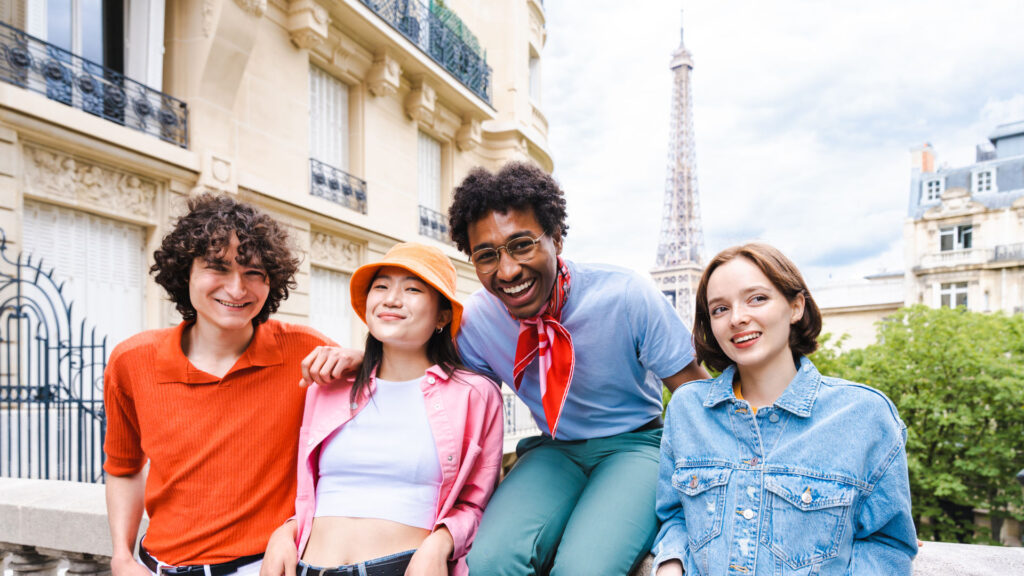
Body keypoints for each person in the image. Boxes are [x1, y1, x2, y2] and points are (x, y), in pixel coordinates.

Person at [302, 162, 709, 575]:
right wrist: (366, 358)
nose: (508, 270)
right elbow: (433, 366)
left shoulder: (626, 295)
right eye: (487, 255)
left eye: (522, 245)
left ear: (557, 238)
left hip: (634, 445)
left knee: (583, 568)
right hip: (555, 449)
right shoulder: (479, 320)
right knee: (489, 560)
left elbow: (696, 395)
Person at [652, 243, 917, 575]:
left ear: (795, 306)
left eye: (757, 299)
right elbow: (675, 515)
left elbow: (887, 542)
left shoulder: (865, 415)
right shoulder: (687, 409)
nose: (737, 318)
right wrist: (671, 562)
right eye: (719, 309)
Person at [104, 194, 333, 576]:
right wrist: (122, 556)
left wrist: (365, 360)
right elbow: (124, 467)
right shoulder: (131, 360)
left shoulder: (308, 352)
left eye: (253, 273)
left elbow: (355, 459)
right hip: (157, 566)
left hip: (264, 567)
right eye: (218, 268)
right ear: (185, 273)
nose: (237, 288)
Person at [273, 242, 503, 576]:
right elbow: (309, 490)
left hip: (406, 568)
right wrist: (287, 531)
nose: (391, 299)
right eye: (381, 286)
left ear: (442, 315)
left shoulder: (475, 395)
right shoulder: (328, 387)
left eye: (412, 289)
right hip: (307, 566)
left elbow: (475, 504)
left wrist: (440, 545)